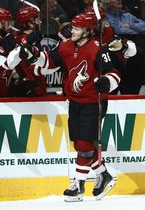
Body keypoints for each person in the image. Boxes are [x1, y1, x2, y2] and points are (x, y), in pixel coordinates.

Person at [17, 12, 120, 201]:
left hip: (93, 102)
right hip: (74, 101)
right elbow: (49, 61)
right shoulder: (65, 46)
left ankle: (78, 185)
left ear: (88, 31)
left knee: (84, 145)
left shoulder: (98, 49)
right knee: (79, 143)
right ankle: (103, 174)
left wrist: (107, 82)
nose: (72, 31)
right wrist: (35, 55)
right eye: (73, 27)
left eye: (77, 28)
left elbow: (114, 74)